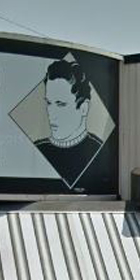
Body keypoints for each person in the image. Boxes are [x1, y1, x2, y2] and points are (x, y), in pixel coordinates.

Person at [33, 58, 105, 188]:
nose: (51, 113)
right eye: (49, 103)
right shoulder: (38, 148)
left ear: (83, 108)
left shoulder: (99, 150)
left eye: (61, 104)